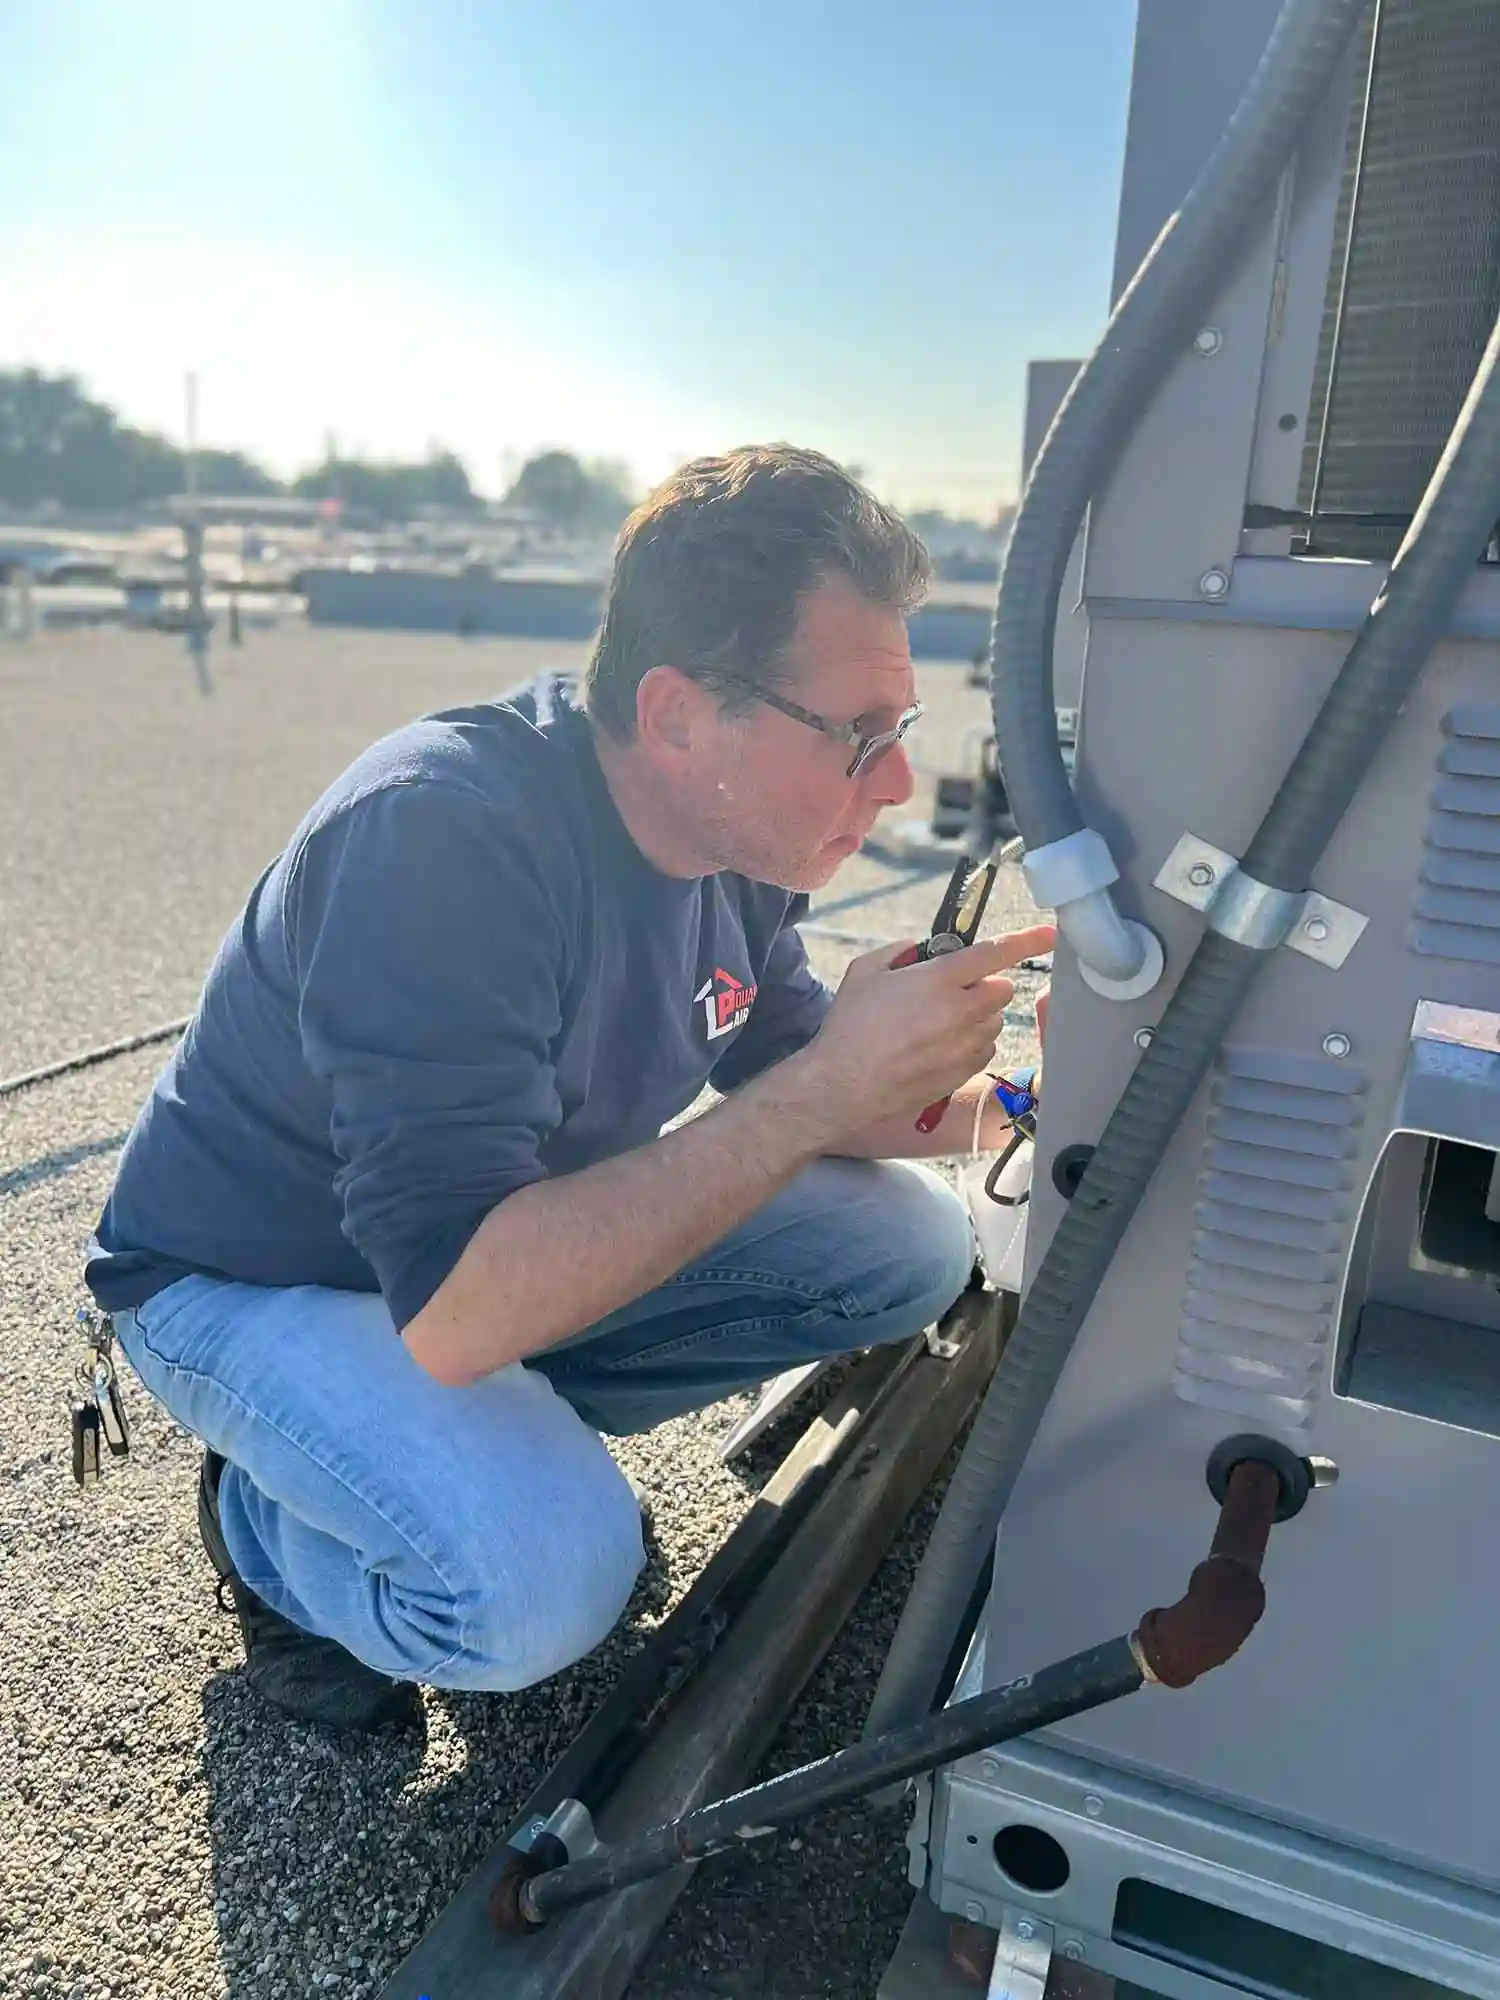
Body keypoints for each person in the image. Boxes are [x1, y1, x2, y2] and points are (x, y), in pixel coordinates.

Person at [85, 444, 1052, 1734]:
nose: (894, 786)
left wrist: (1050, 1105)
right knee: (541, 1587)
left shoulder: (737, 839)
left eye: (904, 733)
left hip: (475, 1257)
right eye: (859, 738)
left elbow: (807, 1075)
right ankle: (266, 1525)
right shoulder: (443, 839)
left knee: (904, 1243)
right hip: (256, 1279)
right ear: (677, 715)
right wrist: (826, 1089)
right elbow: (460, 1309)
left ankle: (452, 1458)